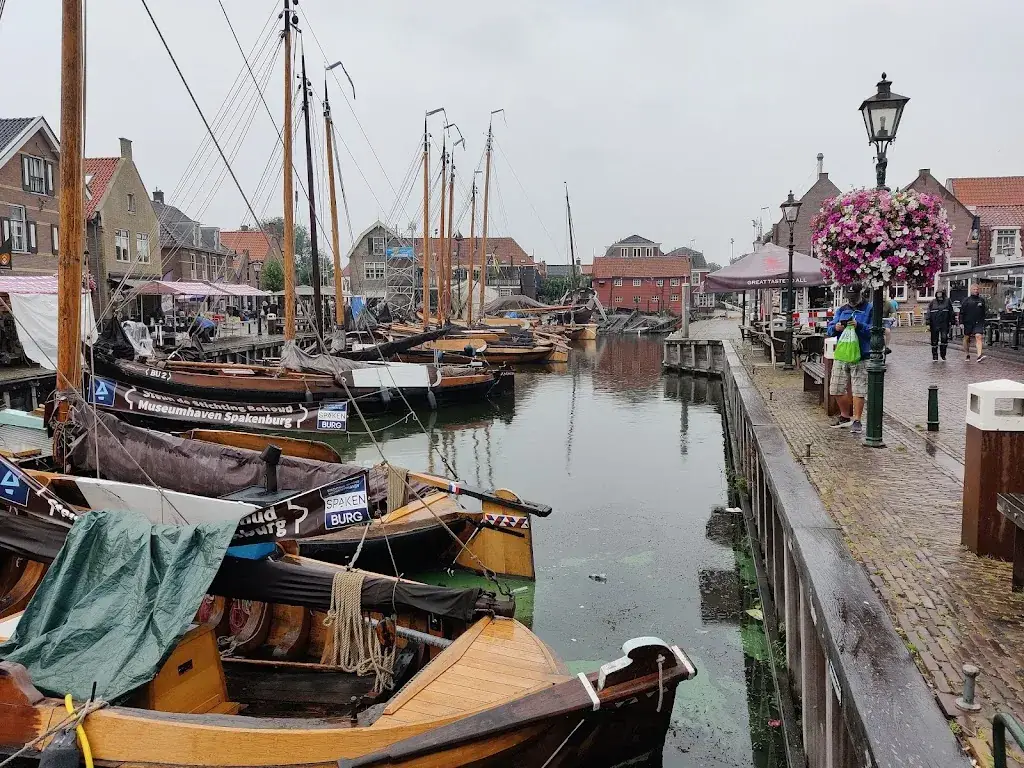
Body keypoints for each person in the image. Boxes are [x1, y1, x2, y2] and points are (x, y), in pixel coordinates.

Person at [827, 282, 872, 434]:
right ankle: (845, 415)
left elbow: (874, 330)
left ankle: (857, 419)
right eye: (849, 297)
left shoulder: (869, 309)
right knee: (835, 387)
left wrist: (859, 325)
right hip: (843, 353)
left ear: (861, 294)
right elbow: (830, 329)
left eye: (854, 297)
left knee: (859, 388)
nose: (852, 300)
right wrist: (835, 328)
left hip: (861, 354)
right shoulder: (842, 309)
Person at [961, 284, 987, 362]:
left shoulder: (981, 300)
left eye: (977, 289)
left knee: (978, 336)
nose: (976, 291)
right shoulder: (966, 300)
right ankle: (967, 354)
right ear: (971, 290)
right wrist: (961, 322)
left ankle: (979, 355)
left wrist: (983, 321)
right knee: (966, 338)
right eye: (974, 289)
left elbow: (983, 311)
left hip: (978, 322)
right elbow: (962, 312)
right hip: (968, 322)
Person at [926, 289, 953, 361]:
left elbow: (951, 312)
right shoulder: (932, 302)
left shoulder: (947, 301)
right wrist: (928, 323)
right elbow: (928, 312)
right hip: (934, 323)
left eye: (940, 293)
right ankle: (935, 356)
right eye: (938, 293)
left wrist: (952, 322)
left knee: (944, 339)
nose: (939, 294)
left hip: (944, 323)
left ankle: (943, 354)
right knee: (934, 340)